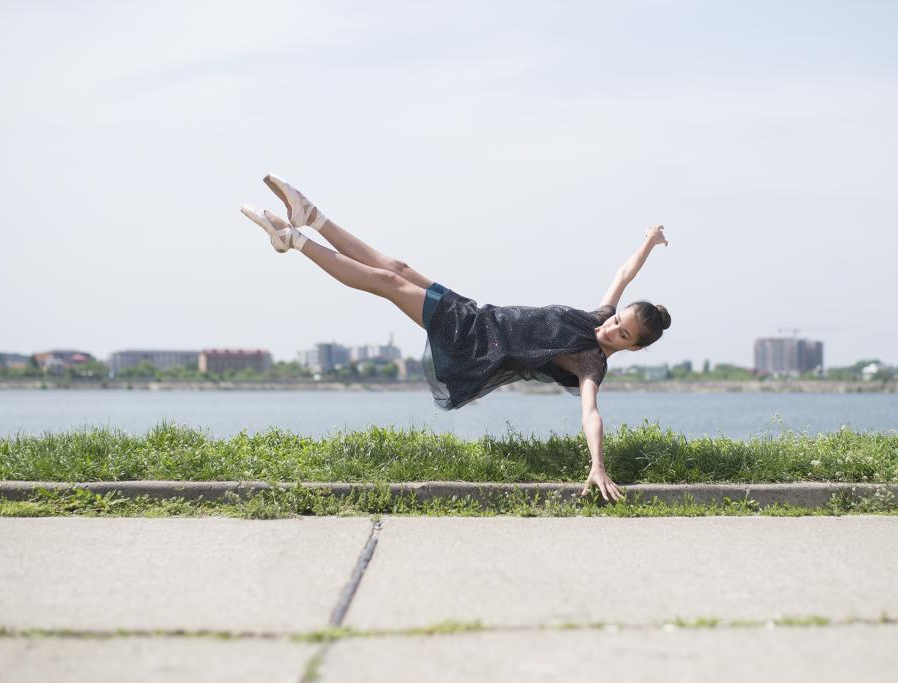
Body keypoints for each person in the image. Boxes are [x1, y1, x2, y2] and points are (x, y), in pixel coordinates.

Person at [241, 174, 671, 504]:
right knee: (400, 267)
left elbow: (591, 413)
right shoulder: (601, 316)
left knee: (386, 281)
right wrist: (649, 243)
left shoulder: (590, 362)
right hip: (478, 313)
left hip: (474, 341)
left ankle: (293, 239)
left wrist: (598, 465)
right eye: (619, 321)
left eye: (623, 334)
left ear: (633, 347)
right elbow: (623, 274)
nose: (611, 328)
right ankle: (310, 216)